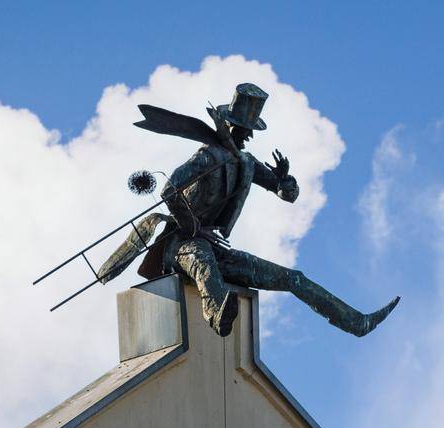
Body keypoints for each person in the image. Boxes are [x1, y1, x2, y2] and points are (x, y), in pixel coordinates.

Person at [104, 83, 398, 338]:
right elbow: (169, 190)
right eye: (243, 130)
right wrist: (193, 227)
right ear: (229, 126)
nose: (248, 137)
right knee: (203, 261)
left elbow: (287, 195)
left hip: (216, 249)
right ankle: (217, 313)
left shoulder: (245, 163)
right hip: (181, 245)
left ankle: (357, 322)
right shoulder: (207, 157)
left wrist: (284, 179)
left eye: (250, 132)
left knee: (292, 278)